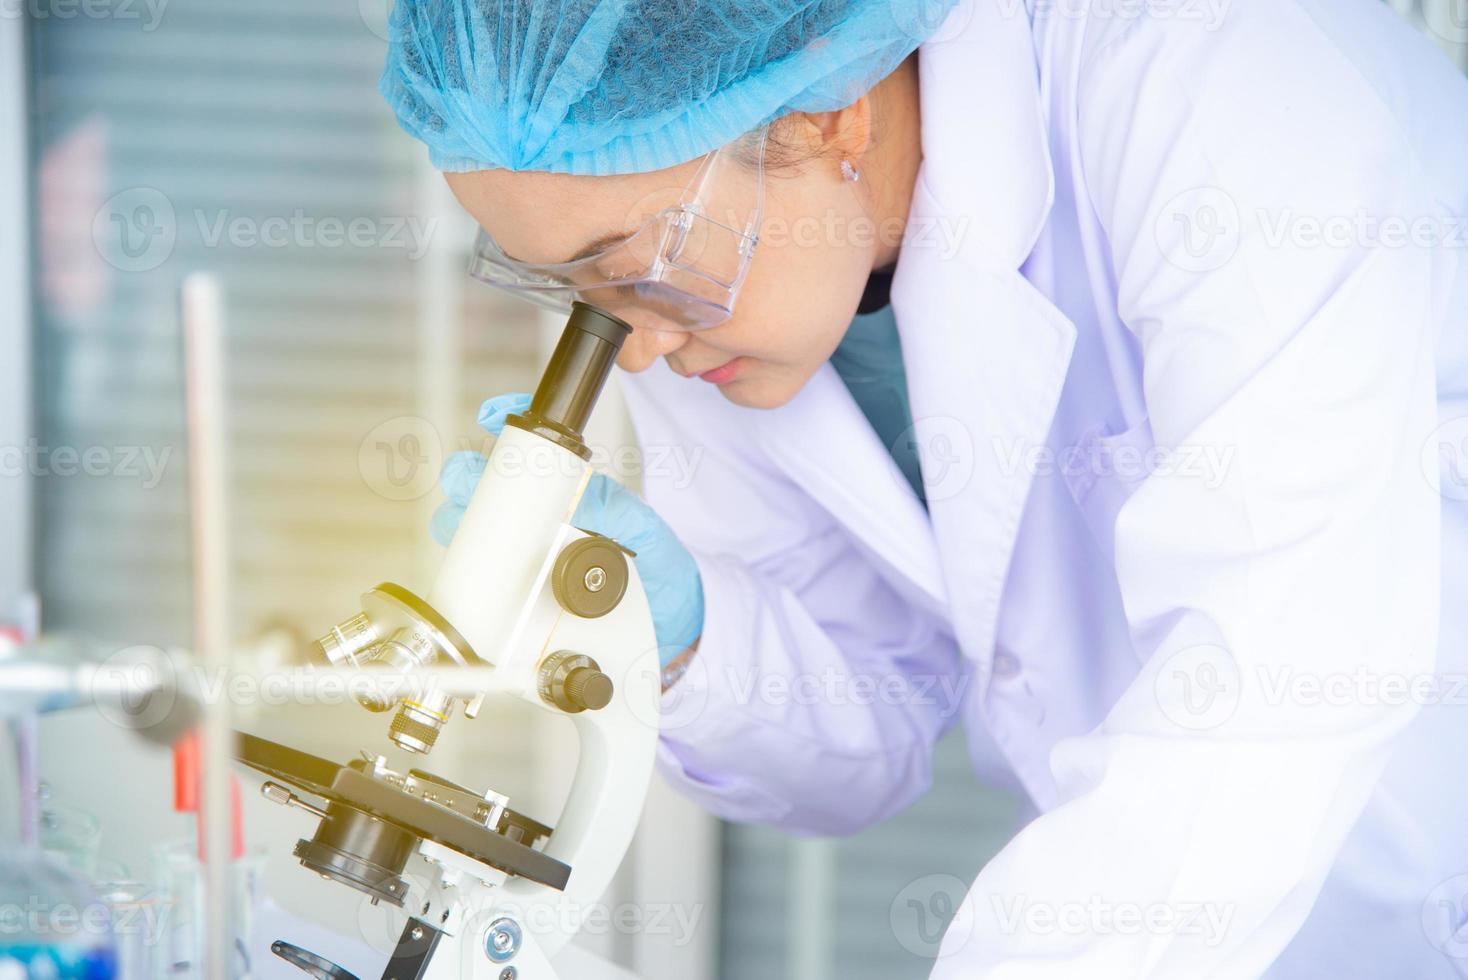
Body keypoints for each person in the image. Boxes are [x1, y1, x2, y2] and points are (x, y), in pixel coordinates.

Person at [383, 0, 1468, 975]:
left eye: (623, 268)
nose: (626, 347)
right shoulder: (704, 291)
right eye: (566, 287)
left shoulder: (1209, 74)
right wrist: (681, 635)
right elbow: (868, 735)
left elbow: (1278, 663)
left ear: (833, 111)